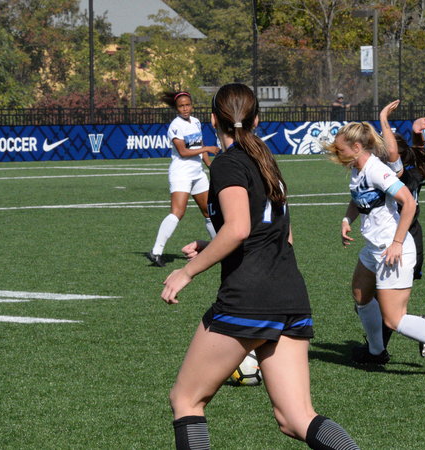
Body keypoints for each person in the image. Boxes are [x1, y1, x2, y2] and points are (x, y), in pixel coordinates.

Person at [161, 83, 360, 450]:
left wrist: (186, 272)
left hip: (249, 297)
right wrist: (212, 246)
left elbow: (238, 229)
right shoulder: (265, 158)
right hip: (290, 293)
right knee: (296, 418)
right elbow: (281, 236)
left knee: (186, 400)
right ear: (256, 120)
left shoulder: (228, 163)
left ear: (212, 120)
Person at [325, 121, 425, 380]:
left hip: (393, 250)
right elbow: (358, 198)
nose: (337, 154)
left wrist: (397, 243)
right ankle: (376, 351)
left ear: (357, 147)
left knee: (394, 319)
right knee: (360, 295)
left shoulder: (376, 170)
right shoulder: (357, 169)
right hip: (374, 248)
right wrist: (347, 219)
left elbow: (408, 203)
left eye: (340, 149)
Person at [147, 91, 219, 267]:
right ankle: (156, 252)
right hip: (181, 173)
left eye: (187, 105)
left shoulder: (195, 122)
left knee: (209, 211)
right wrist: (207, 149)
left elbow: (200, 145)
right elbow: (183, 152)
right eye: (181, 106)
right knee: (177, 212)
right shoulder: (176, 125)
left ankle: (219, 250)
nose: (185, 108)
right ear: (176, 108)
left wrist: (210, 165)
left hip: (197, 173)